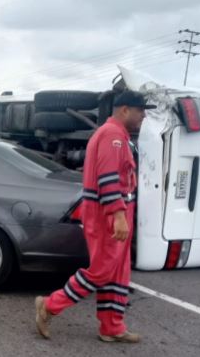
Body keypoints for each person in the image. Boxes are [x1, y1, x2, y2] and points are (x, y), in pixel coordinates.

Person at [35, 90, 156, 343]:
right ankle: (49, 305)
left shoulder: (116, 134)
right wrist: (118, 215)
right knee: (102, 270)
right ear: (124, 109)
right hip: (107, 213)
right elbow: (108, 178)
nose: (143, 115)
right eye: (140, 110)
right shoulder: (112, 135)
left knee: (118, 272)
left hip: (114, 211)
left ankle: (112, 326)